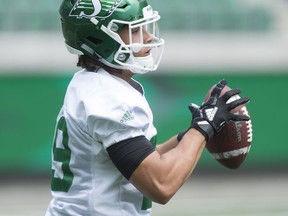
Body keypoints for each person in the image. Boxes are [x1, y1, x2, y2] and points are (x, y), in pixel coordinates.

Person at [45, 0, 250, 215]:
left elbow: (141, 158)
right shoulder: (108, 98)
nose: (149, 37)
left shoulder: (93, 84)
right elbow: (161, 184)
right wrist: (203, 128)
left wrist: (190, 136)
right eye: (135, 30)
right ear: (100, 39)